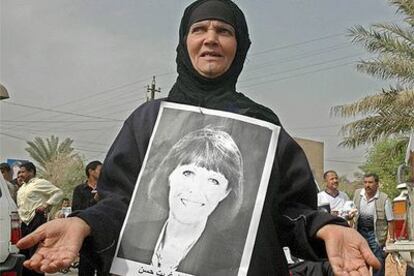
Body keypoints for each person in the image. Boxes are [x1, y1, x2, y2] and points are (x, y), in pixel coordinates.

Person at [17, 1, 381, 275]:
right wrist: (83, 223)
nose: (211, 39)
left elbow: (289, 211)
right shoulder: (148, 120)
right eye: (199, 29)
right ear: (184, 41)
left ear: (240, 47)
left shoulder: (262, 124)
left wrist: (327, 230)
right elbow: (120, 202)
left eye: (224, 31)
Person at [118, 127, 243, 273]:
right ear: (169, 175)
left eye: (213, 180)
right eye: (188, 173)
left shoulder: (231, 262)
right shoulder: (127, 237)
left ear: (226, 192)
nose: (196, 189)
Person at [16, 161, 63, 276]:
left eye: (23, 172)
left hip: (36, 219)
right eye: (19, 172)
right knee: (23, 249)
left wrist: (46, 205)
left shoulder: (40, 183)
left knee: (35, 250)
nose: (20, 175)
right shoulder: (22, 188)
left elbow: (58, 193)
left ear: (31, 172)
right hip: (24, 222)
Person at [353, 173, 395, 276]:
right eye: (365, 182)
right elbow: (352, 214)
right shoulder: (358, 194)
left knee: (378, 266)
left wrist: (391, 240)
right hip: (360, 236)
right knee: (361, 267)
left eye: (371, 182)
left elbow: (390, 221)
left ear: (377, 184)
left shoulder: (384, 199)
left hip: (377, 238)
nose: (367, 185)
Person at [71, 160, 103, 276]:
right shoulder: (79, 190)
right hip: (87, 235)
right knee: (86, 267)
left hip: (103, 234)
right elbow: (77, 211)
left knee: (104, 267)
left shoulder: (106, 189)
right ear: (91, 171)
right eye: (100, 170)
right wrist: (94, 200)